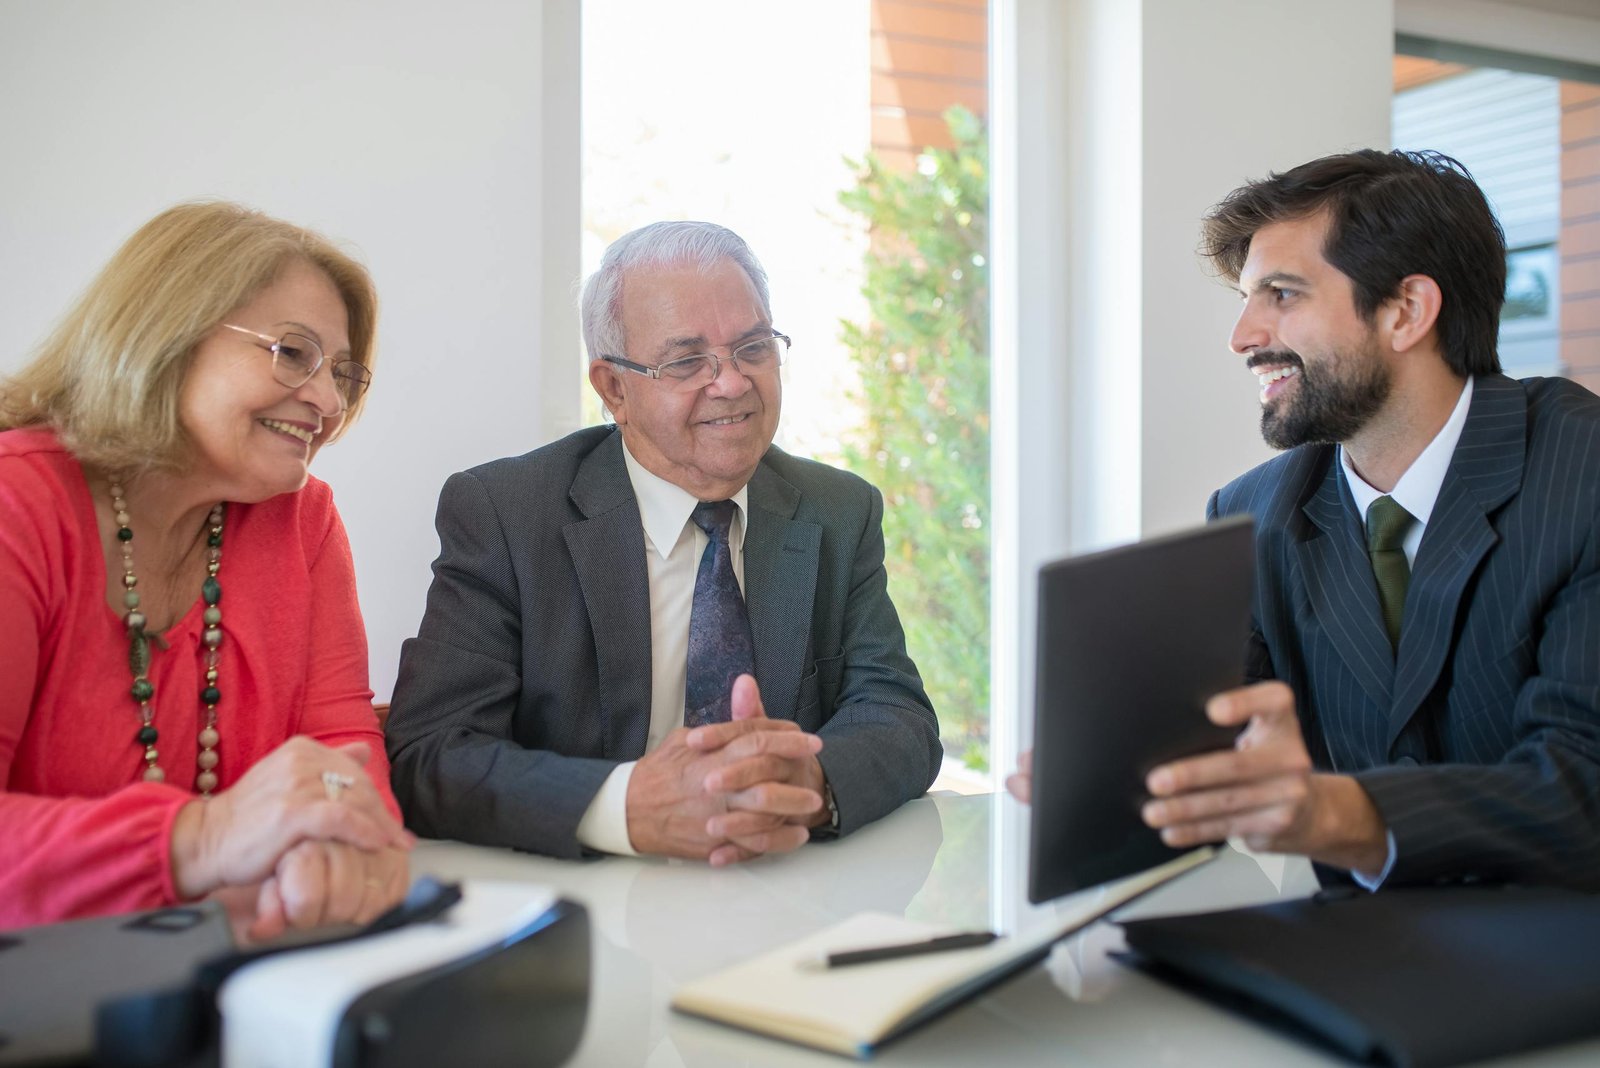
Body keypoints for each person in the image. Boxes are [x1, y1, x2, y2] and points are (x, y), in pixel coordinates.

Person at [1013, 149, 1600, 890]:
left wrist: (1333, 815)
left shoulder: (1583, 475)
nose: (1243, 337)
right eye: (1246, 298)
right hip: (1359, 950)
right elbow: (1217, 746)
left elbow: (1584, 785)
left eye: (1281, 294)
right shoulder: (1252, 512)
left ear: (1406, 311)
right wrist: (1119, 774)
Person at [386, 220, 941, 865]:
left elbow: (898, 713)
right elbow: (433, 753)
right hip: (587, 911)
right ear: (613, 388)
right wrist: (625, 805)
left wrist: (808, 784)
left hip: (779, 891)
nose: (732, 382)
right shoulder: (508, 514)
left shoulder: (837, 510)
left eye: (754, 347)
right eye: (686, 361)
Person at [0, 202, 413, 939]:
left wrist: (332, 854)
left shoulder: (303, 521)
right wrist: (203, 838)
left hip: (229, 968)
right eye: (293, 353)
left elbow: (343, 755)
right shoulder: (15, 503)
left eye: (344, 374)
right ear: (165, 337)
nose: (327, 400)